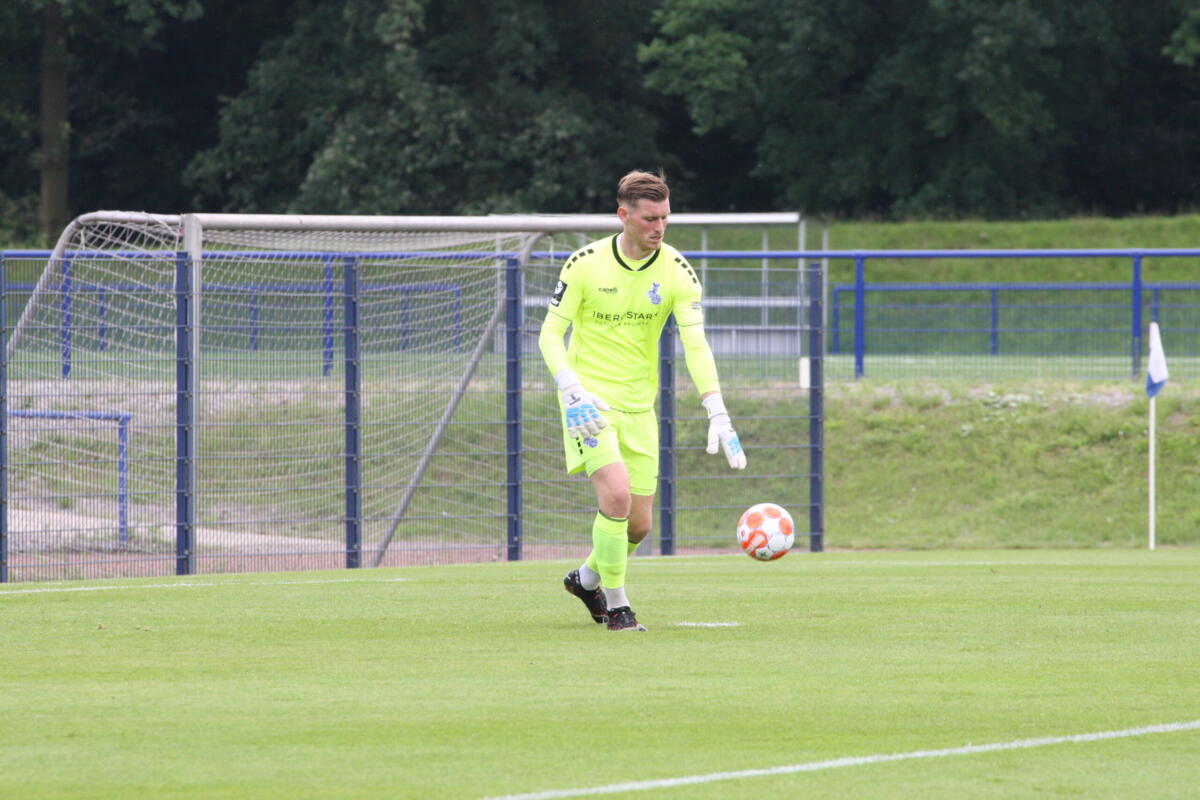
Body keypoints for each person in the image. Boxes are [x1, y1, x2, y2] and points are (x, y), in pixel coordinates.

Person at [537, 169, 747, 632]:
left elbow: (696, 343)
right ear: (624, 215)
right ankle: (617, 605)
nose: (659, 227)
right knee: (615, 496)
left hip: (638, 406)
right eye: (650, 218)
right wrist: (571, 389)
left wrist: (717, 409)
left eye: (665, 218)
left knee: (638, 526)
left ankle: (586, 579)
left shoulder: (676, 270)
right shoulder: (584, 263)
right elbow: (551, 334)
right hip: (588, 404)